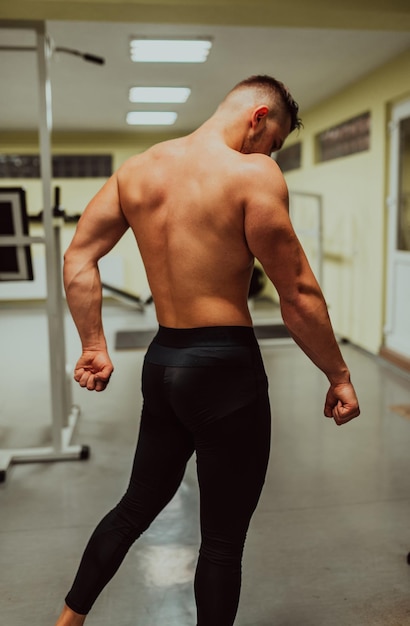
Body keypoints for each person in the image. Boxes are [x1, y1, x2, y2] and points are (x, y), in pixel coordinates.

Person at [55, 75, 360, 626]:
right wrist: (337, 373)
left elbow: (77, 259)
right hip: (225, 370)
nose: (270, 155)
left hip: (164, 362)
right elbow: (297, 292)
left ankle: (66, 622)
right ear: (258, 116)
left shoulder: (137, 169)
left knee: (133, 508)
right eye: (274, 142)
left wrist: (94, 344)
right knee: (222, 541)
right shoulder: (251, 174)